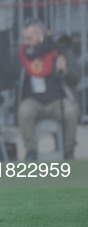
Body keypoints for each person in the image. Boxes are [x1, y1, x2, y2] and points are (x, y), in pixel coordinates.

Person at [17, 20, 80, 160]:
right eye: (24, 38)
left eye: (29, 38)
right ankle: (31, 151)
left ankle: (68, 151)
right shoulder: (22, 53)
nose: (25, 42)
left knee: (70, 111)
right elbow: (11, 76)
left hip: (57, 100)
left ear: (41, 36)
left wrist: (65, 71)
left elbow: (76, 78)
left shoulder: (59, 50)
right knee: (24, 111)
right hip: (33, 101)